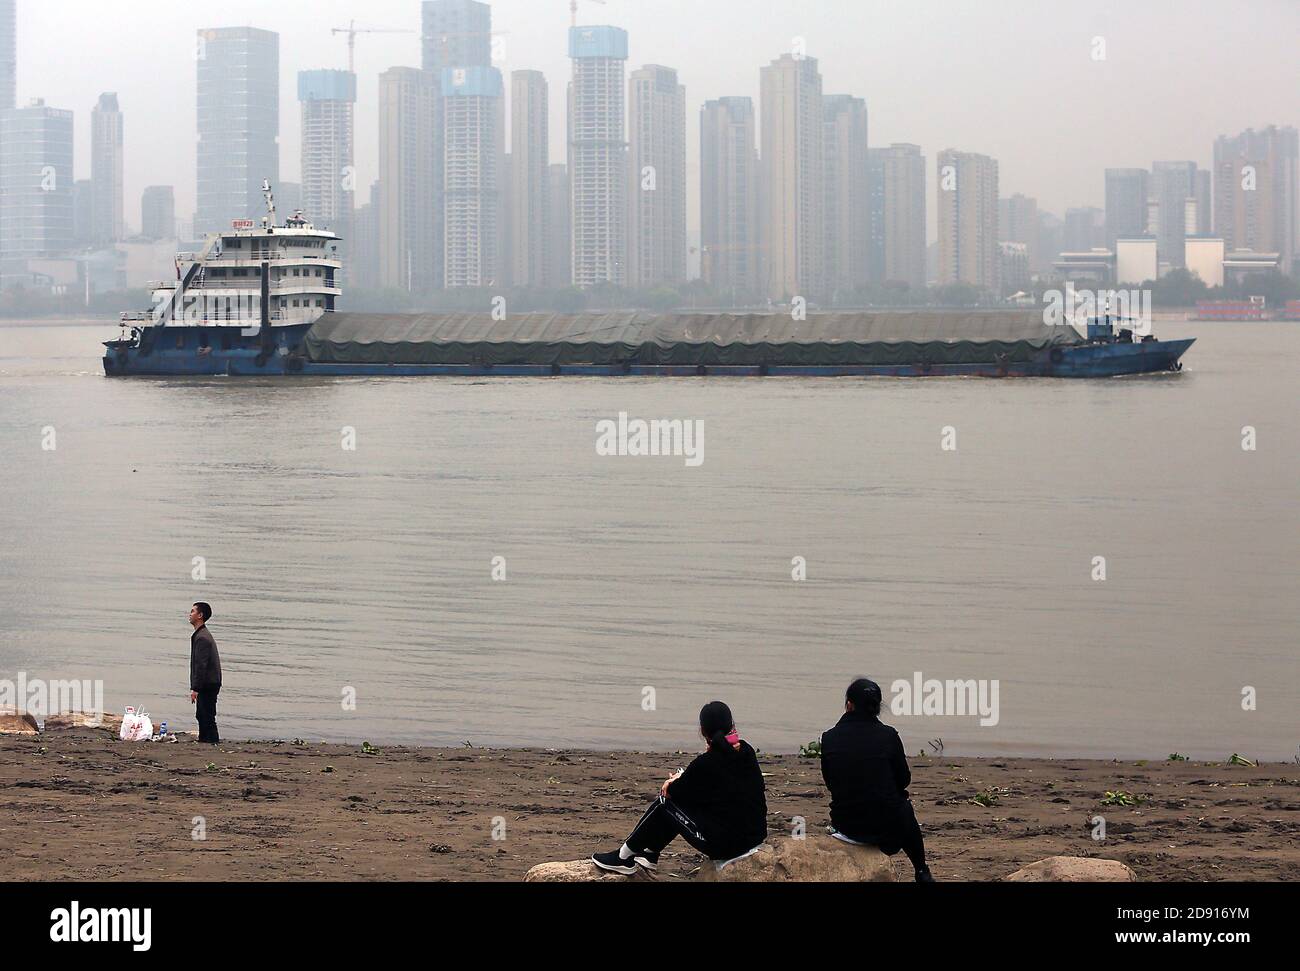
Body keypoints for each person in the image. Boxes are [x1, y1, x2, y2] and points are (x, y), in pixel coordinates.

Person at [592, 701, 767, 874]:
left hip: (725, 846)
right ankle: (650, 854)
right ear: (731, 725)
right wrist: (684, 778)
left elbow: (672, 793)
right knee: (684, 804)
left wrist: (672, 781)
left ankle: (623, 857)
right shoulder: (746, 751)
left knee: (663, 804)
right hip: (754, 836)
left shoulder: (706, 763)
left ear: (703, 731)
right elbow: (718, 783)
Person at [820, 677, 935, 882]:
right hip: (888, 830)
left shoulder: (829, 738)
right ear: (878, 707)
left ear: (849, 705)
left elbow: (831, 783)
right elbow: (904, 780)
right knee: (903, 807)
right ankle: (921, 870)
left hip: (847, 825)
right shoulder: (888, 736)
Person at [188, 602, 222, 744]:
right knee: (202, 714)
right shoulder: (200, 634)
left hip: (208, 682)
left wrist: (196, 688)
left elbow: (201, 665)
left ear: (200, 615)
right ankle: (204, 740)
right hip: (209, 682)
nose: (189, 614)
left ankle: (212, 741)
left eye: (192, 611)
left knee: (206, 714)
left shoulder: (202, 637)